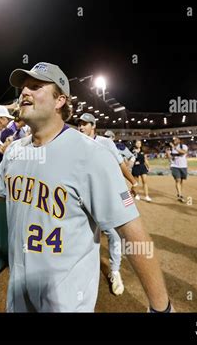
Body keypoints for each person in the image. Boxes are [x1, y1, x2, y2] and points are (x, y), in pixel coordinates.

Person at [0, 62, 173, 312]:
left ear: (60, 101)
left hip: (66, 302)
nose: (25, 92)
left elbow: (132, 232)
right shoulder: (15, 150)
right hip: (19, 294)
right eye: (24, 87)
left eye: (36, 87)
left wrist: (161, 307)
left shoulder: (91, 155)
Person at [78, 113, 139, 295]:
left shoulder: (106, 142)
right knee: (86, 233)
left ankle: (114, 271)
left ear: (93, 126)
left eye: (84, 124)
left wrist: (133, 182)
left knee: (116, 233)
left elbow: (121, 165)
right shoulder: (75, 143)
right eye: (79, 124)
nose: (80, 127)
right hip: (85, 196)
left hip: (111, 193)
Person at [166, 136, 188, 202]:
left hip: (183, 166)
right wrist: (168, 154)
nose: (174, 141)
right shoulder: (170, 148)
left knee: (181, 180)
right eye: (173, 140)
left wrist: (174, 147)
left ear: (179, 140)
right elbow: (170, 158)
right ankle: (180, 195)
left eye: (175, 139)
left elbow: (183, 152)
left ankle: (179, 193)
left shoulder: (183, 146)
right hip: (174, 166)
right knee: (178, 180)